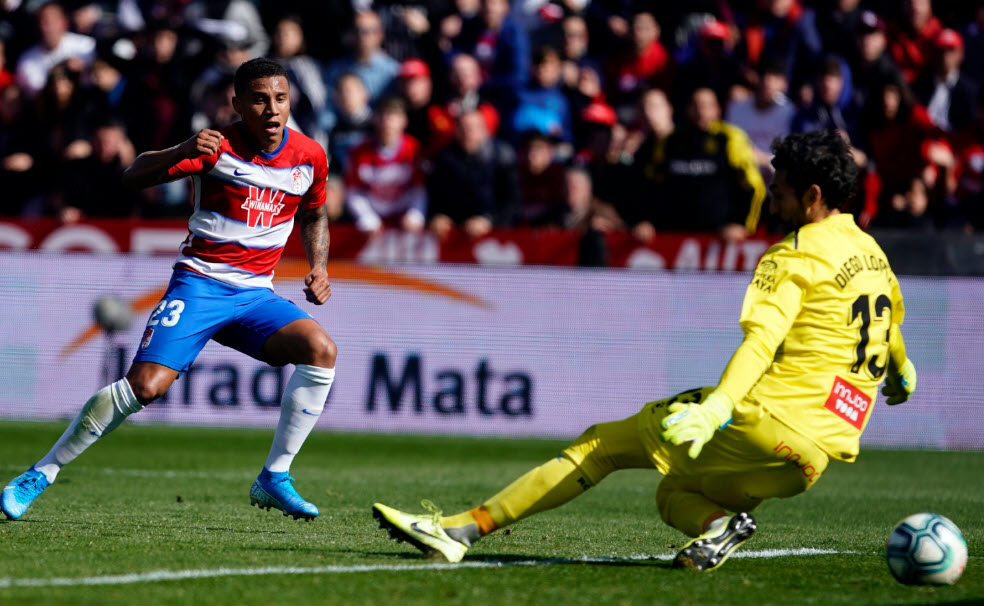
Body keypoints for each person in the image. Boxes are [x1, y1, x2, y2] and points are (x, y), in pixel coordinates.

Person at [372, 129, 917, 571]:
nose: (772, 197)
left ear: (812, 196)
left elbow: (761, 342)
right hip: (813, 457)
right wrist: (901, 370)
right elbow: (888, 323)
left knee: (599, 447)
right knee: (672, 494)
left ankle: (457, 530)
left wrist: (716, 410)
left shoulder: (793, 254)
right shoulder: (871, 252)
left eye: (780, 188)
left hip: (764, 420)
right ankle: (719, 528)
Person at [2, 58, 337, 522]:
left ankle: (274, 477)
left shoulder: (310, 156)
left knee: (320, 349)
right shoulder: (214, 147)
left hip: (256, 295)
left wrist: (319, 265)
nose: (272, 109)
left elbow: (315, 213)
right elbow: (133, 176)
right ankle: (41, 473)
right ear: (237, 104)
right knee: (145, 387)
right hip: (200, 284)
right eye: (260, 99)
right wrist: (182, 148)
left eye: (280, 98)